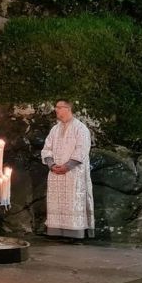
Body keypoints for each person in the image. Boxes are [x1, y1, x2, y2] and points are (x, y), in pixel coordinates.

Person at [42, 99, 94, 241]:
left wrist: (67, 165)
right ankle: (56, 231)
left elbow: (82, 149)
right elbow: (47, 148)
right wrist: (51, 164)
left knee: (72, 201)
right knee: (56, 202)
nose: (56, 110)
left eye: (59, 107)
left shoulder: (80, 128)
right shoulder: (55, 129)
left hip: (73, 173)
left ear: (68, 108)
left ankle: (74, 233)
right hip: (55, 173)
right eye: (56, 107)